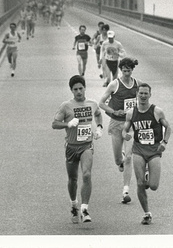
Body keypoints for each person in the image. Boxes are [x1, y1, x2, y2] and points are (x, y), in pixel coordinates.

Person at [52, 75, 103, 224]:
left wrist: (99, 127)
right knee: (73, 179)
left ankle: (84, 208)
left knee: (86, 175)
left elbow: (99, 114)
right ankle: (74, 204)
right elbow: (54, 124)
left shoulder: (92, 104)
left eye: (81, 88)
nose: (79, 92)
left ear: (85, 88)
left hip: (86, 145)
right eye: (75, 89)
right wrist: (67, 124)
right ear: (71, 91)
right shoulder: (66, 106)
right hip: (71, 147)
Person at [122, 83, 171, 225]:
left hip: (154, 150)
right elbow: (125, 129)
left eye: (146, 93)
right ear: (137, 94)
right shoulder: (131, 113)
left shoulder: (157, 111)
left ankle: (149, 174)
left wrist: (164, 143)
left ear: (150, 95)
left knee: (154, 186)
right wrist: (125, 135)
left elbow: (168, 128)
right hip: (138, 149)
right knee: (139, 183)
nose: (143, 96)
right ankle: (146, 213)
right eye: (141, 93)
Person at [99, 57, 141, 204]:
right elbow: (101, 103)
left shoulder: (138, 85)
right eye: (124, 69)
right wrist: (114, 112)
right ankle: (120, 161)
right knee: (118, 159)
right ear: (121, 69)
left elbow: (144, 101)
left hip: (130, 125)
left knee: (129, 157)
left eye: (129, 68)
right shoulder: (114, 84)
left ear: (132, 70)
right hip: (117, 124)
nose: (126, 71)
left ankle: (125, 190)